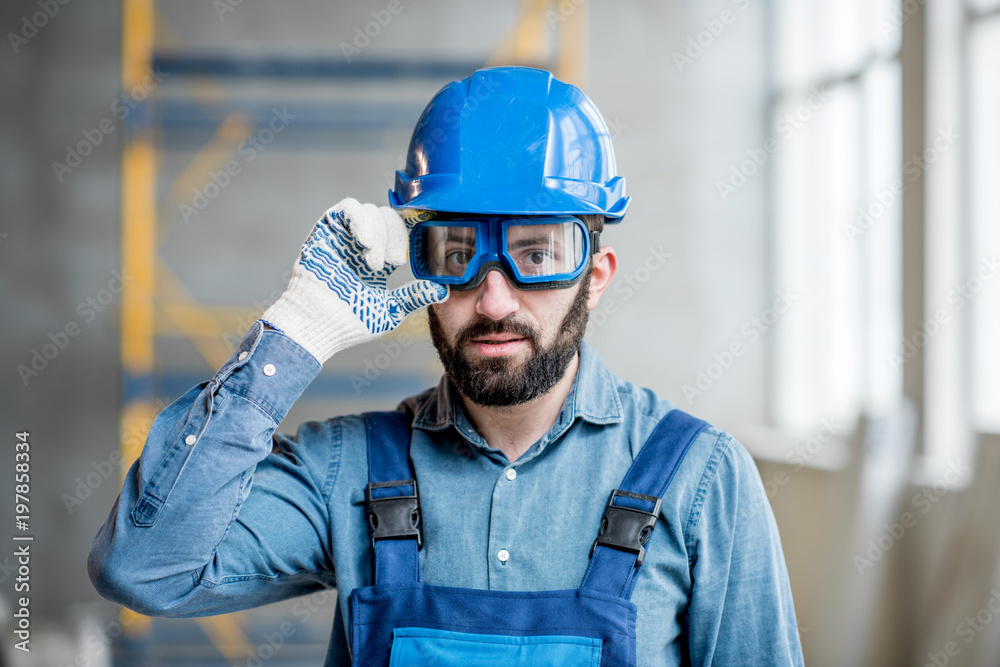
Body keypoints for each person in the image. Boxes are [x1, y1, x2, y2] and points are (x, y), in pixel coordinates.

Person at [88, 66, 804, 665]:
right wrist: (293, 332)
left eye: (537, 254)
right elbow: (144, 566)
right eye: (458, 256)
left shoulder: (701, 481)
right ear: (418, 267)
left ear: (597, 274)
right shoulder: (351, 470)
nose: (493, 297)